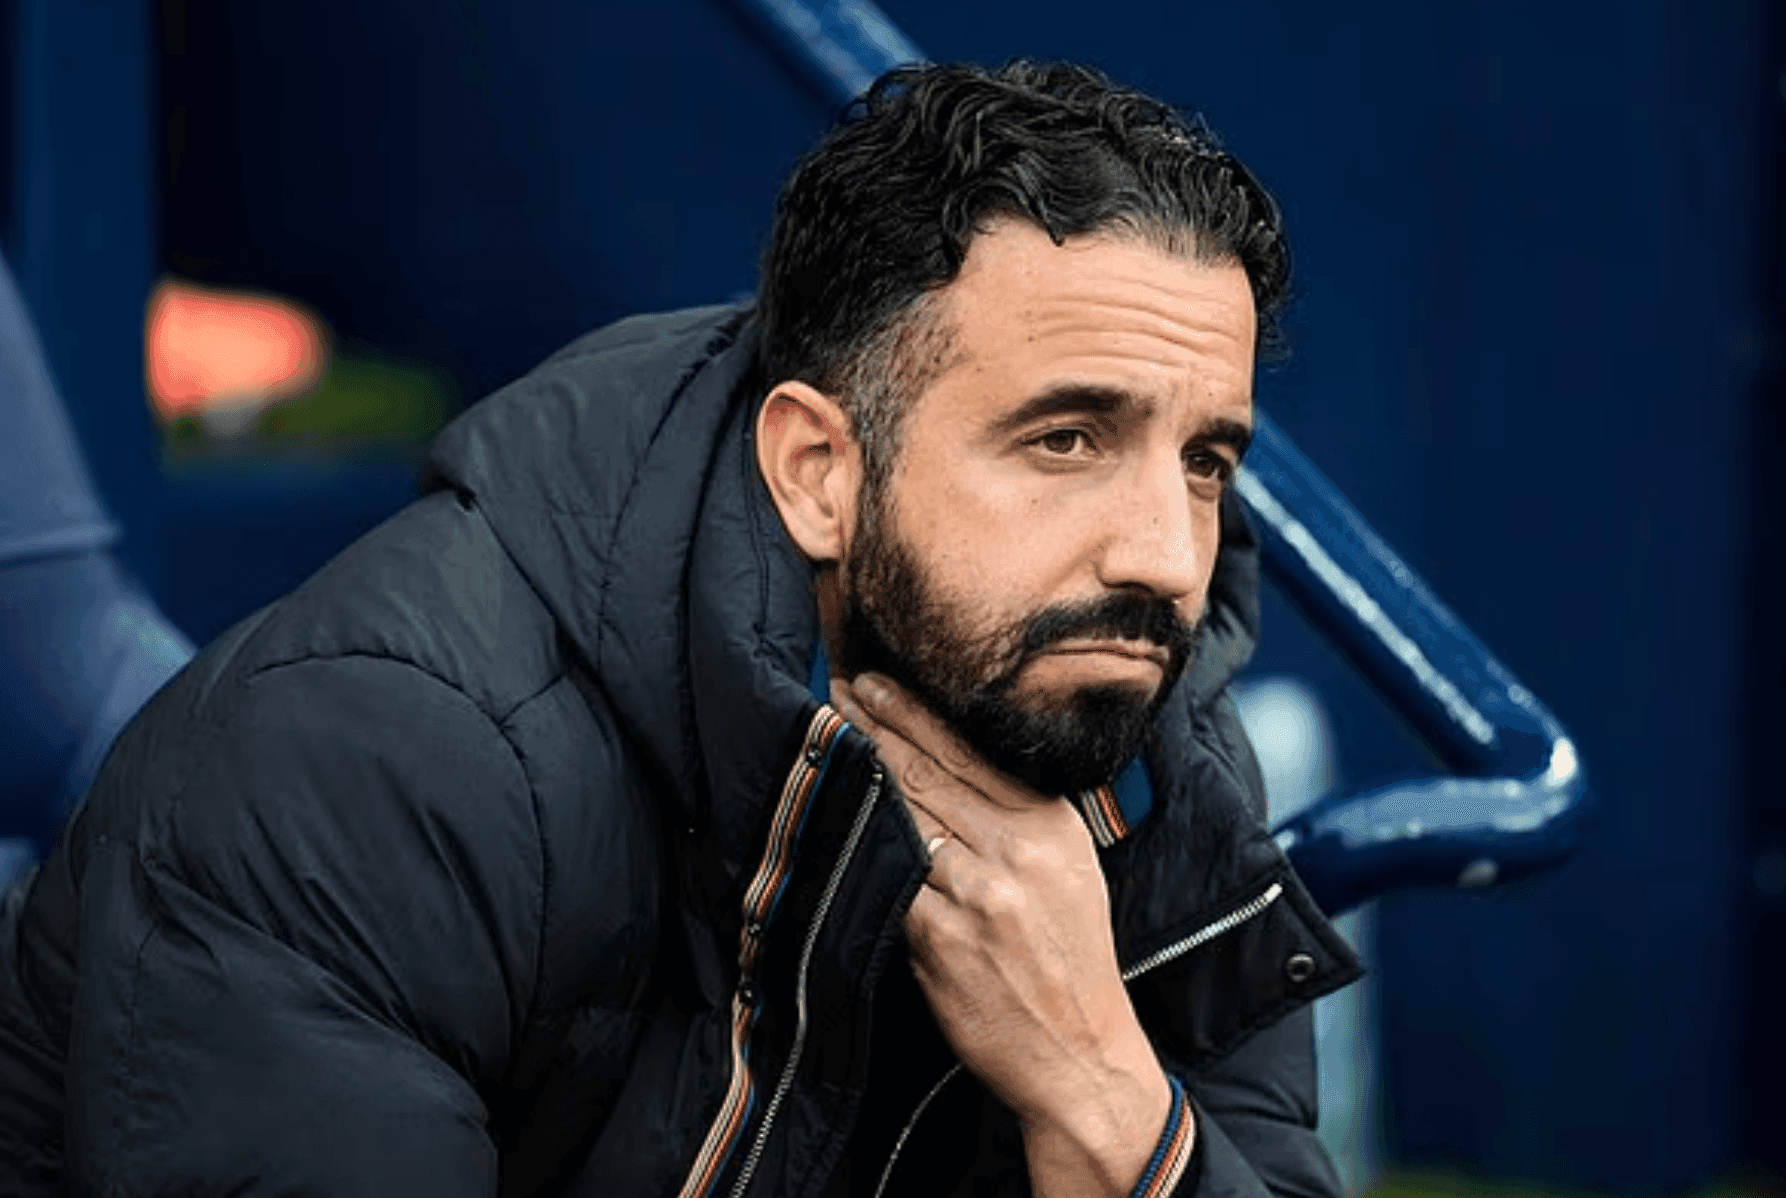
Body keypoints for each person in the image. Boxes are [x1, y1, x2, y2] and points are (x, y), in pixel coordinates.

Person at [0, 60, 1361, 1197]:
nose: (1165, 556)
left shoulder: (1132, 742)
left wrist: (1107, 1100)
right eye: (1066, 437)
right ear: (817, 470)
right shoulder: (376, 758)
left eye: (1204, 461)